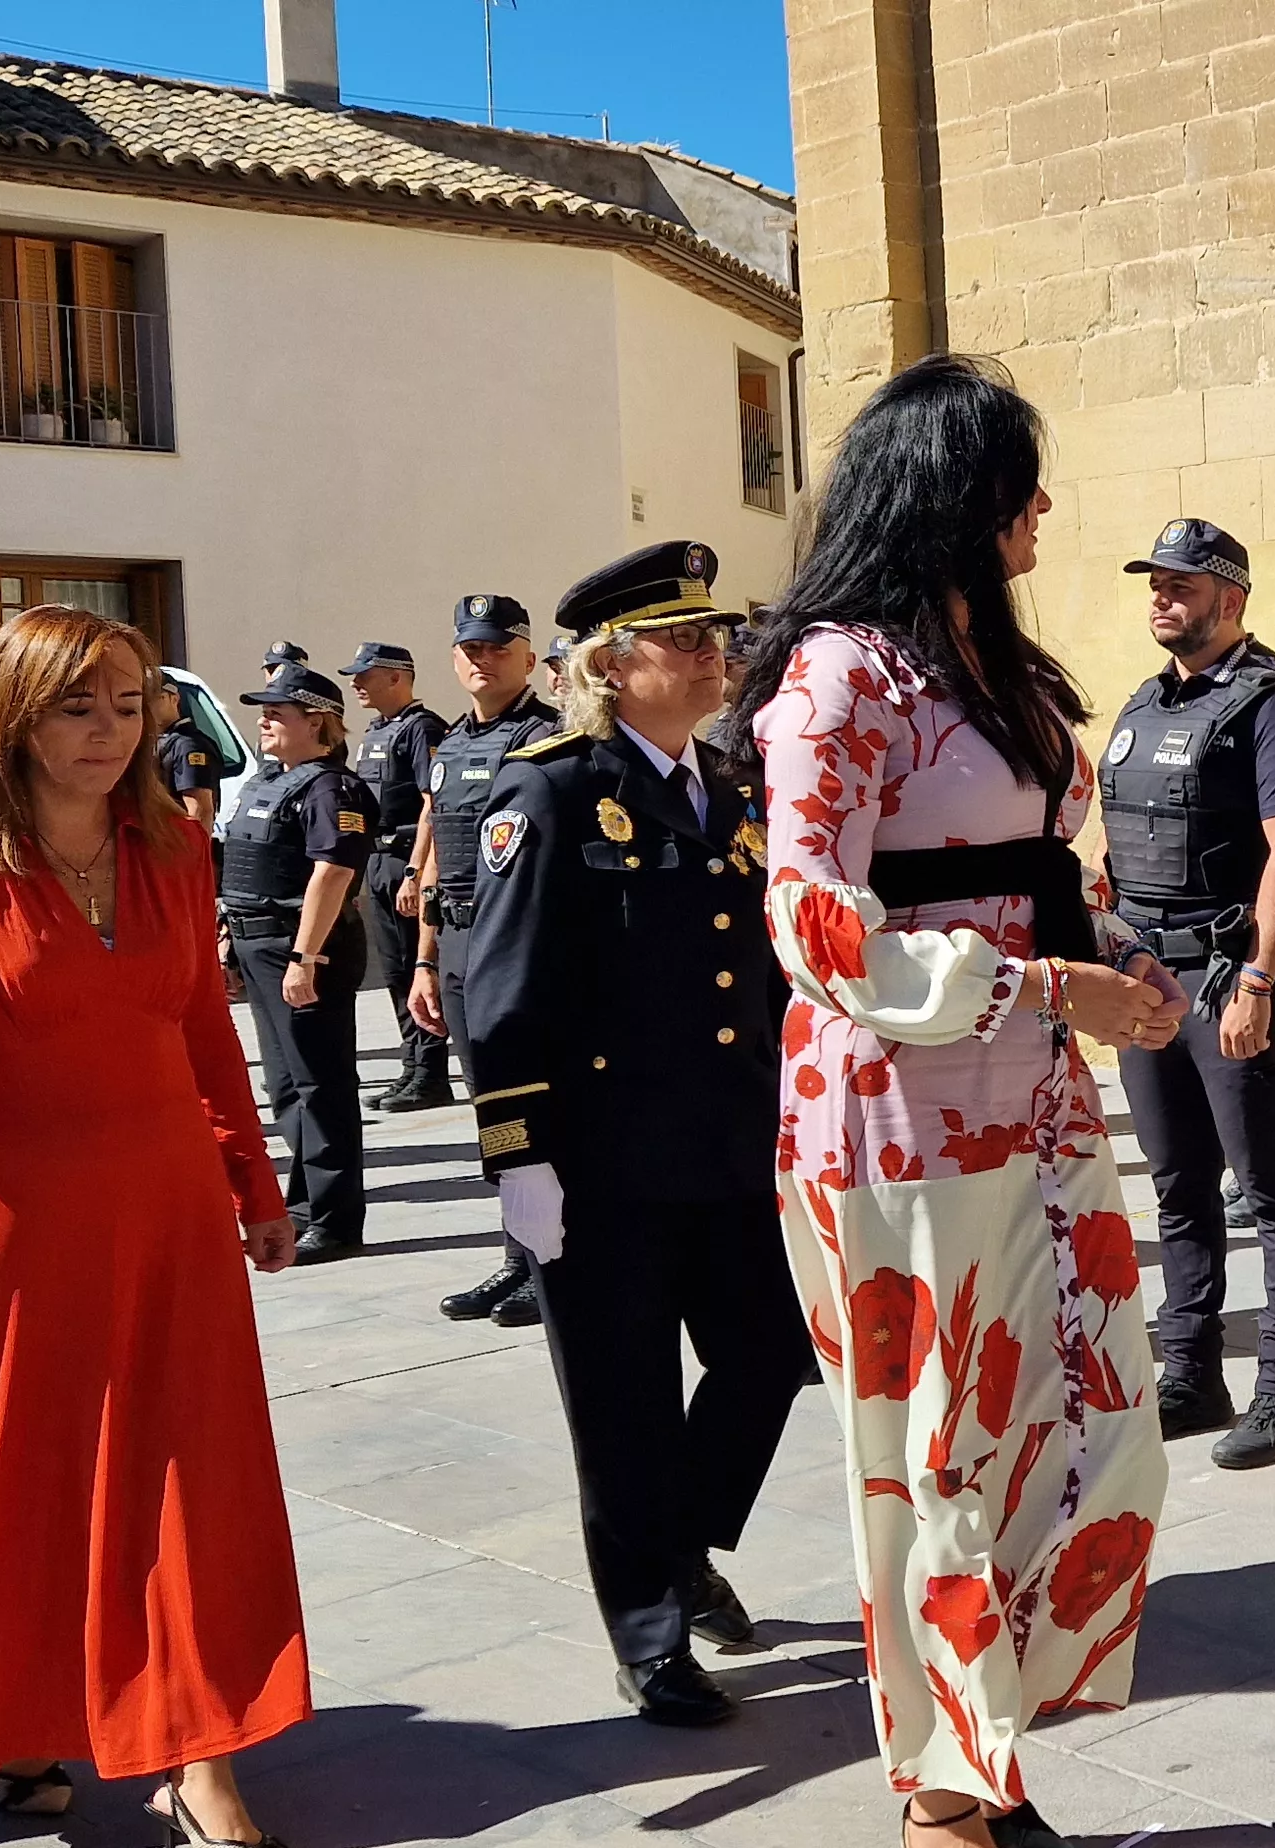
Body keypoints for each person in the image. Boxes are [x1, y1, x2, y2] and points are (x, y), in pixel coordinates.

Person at [731, 354, 1183, 1848]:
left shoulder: (1011, 671)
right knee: (937, 1460)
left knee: (1091, 1435)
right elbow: (815, 923)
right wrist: (1049, 991)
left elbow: (1055, 877)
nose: (1042, 504)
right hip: (893, 1122)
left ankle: (988, 1756)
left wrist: (1120, 957)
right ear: (951, 495)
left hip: (1038, 1114)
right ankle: (945, 1799)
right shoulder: (836, 678)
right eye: (1016, 479)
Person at [0, 603, 310, 1848]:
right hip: (14, 1219)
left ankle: (199, 1751)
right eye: (79, 705)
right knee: (28, 1481)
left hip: (169, 1206)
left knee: (190, 1479)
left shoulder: (173, 846)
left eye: (129, 705)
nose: (110, 732)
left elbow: (199, 1026)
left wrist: (254, 1178)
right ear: (15, 713)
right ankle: (22, 1714)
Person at [464, 541, 816, 1729]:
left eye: (717, 634)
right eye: (684, 638)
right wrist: (519, 1165)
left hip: (726, 1150)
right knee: (622, 1406)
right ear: (612, 667)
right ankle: (650, 1636)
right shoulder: (552, 788)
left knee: (770, 1355)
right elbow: (500, 993)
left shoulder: (732, 785)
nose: (714, 652)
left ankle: (675, 1542)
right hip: (602, 1165)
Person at [1100, 517, 1275, 1469]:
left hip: (1225, 976)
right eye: (1155, 583)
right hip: (1145, 977)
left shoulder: (1270, 702)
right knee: (1177, 1187)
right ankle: (1191, 1373)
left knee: (1271, 1187)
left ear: (1230, 600)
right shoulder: (1142, 703)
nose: (1163, 598)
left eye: (1182, 586)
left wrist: (1258, 981)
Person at [407, 593, 562, 1328]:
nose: (481, 657)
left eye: (498, 646)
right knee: (491, 1110)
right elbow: (439, 861)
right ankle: (517, 1256)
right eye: (470, 647)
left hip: (524, 950)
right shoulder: (449, 748)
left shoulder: (549, 738)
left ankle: (553, 1260)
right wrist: (425, 964)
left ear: (529, 657)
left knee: (538, 1109)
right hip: (463, 946)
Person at [222, 664, 378, 1265]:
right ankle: (305, 1205)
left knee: (322, 1085)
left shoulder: (330, 789)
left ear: (317, 722)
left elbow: (334, 872)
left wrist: (304, 958)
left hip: (304, 949)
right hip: (259, 944)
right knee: (286, 1087)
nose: (263, 720)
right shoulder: (270, 783)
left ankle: (337, 1219)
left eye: (277, 712)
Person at [345, 641, 452, 1112]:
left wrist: (415, 872)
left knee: (416, 965)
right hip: (379, 857)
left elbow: (433, 803)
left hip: (408, 858)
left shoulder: (422, 729)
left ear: (396, 677)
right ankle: (411, 1066)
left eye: (365, 675)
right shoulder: (376, 732)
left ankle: (430, 1074)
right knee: (392, 970)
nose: (356, 684)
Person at [159, 673, 231, 830]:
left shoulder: (189, 745)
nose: (148, 704)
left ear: (174, 699)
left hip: (175, 846)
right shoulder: (152, 740)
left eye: (157, 697)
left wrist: (193, 853)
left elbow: (200, 811)